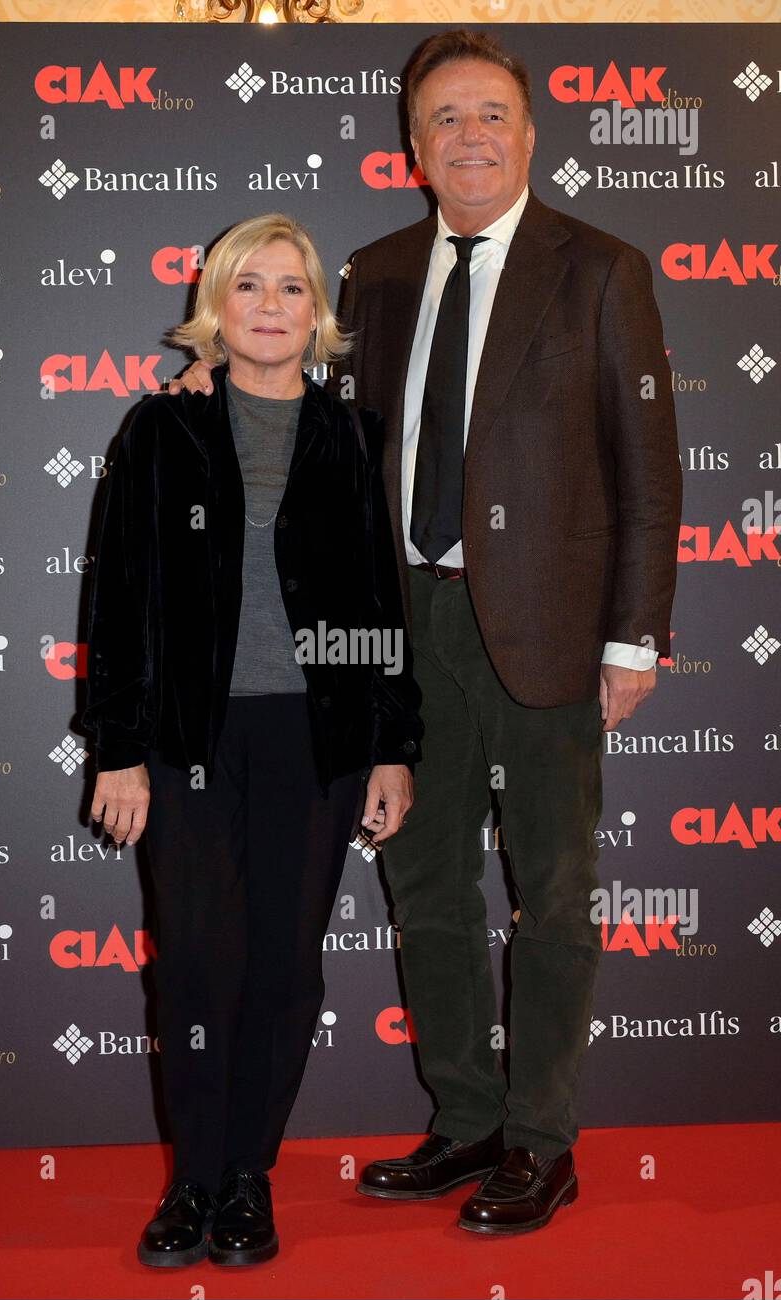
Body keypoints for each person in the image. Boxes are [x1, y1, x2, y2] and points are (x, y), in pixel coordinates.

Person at [172, 30, 682, 1238]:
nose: (469, 137)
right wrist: (207, 389)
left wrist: (636, 634)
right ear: (413, 146)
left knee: (553, 891)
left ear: (528, 133)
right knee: (427, 884)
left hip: (554, 627)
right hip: (398, 623)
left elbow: (647, 467)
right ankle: (466, 1120)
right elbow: (320, 426)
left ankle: (543, 1139)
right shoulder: (377, 269)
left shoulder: (602, 267)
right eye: (445, 118)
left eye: (491, 115)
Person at [80, 212, 422, 1268]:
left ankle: (247, 1179)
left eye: (290, 288)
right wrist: (119, 746)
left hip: (314, 742)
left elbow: (379, 598)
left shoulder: (350, 435)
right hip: (189, 737)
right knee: (193, 962)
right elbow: (121, 595)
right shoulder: (159, 430)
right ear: (214, 310)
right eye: (249, 287)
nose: (270, 307)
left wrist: (391, 744)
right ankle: (190, 1180)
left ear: (316, 312)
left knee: (283, 967)